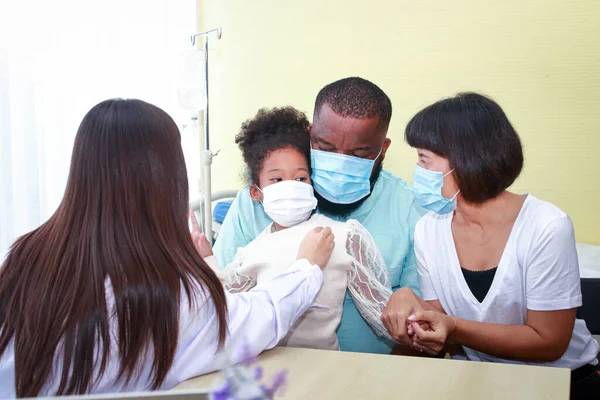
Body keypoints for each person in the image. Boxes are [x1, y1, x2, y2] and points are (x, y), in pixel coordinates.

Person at [0, 99, 335, 397]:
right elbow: (257, 320)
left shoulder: (24, 257)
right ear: (169, 178)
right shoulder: (172, 293)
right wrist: (305, 268)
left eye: (301, 177)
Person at [381, 92, 600, 399]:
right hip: (479, 383)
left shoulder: (546, 226)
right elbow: (440, 319)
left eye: (423, 159)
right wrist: (408, 301)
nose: (418, 170)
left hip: (561, 385)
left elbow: (549, 342)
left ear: (465, 161)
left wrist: (453, 327)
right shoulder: (429, 229)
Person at [214, 77, 425, 354]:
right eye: (326, 148)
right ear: (312, 134)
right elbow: (224, 302)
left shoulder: (407, 208)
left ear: (382, 148)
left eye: (358, 154)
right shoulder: (256, 202)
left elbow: (420, 323)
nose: (340, 161)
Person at [195, 107, 393, 351]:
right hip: (267, 368)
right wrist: (206, 258)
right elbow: (224, 302)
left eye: (300, 178)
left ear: (313, 183)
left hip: (324, 368)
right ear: (256, 193)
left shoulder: (342, 236)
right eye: (277, 180)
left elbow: (381, 312)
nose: (290, 187)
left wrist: (415, 328)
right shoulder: (254, 249)